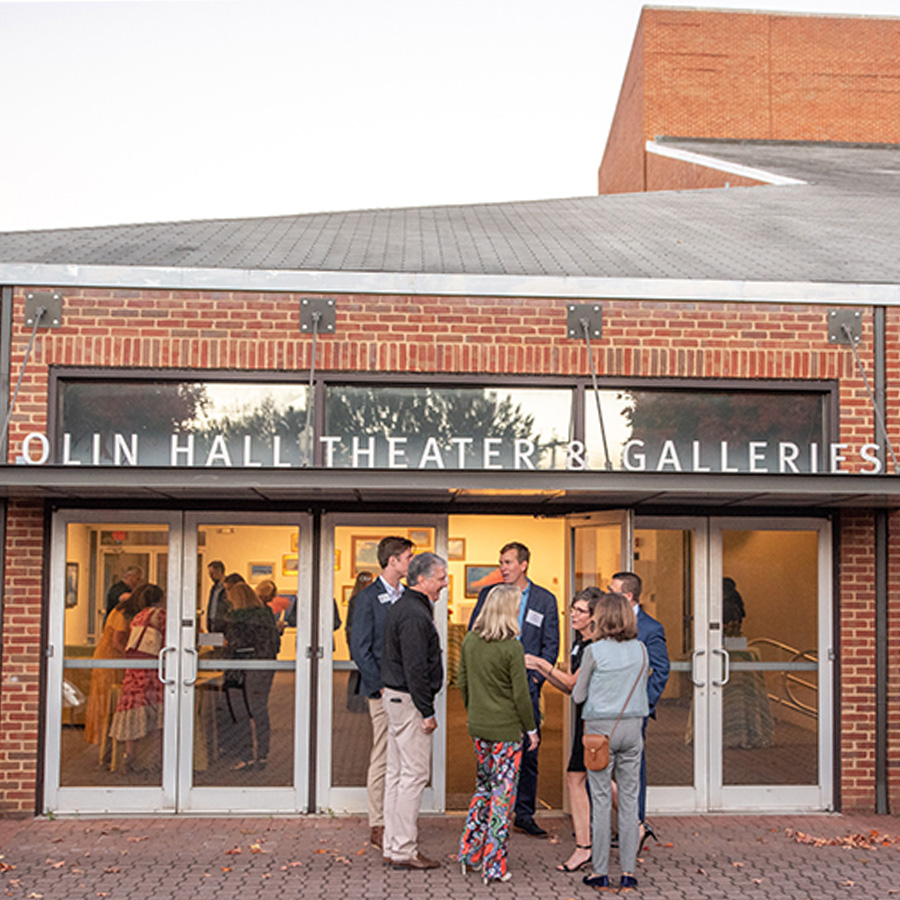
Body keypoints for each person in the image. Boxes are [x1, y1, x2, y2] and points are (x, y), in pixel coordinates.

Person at [468, 541, 559, 838]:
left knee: (530, 752)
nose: (502, 568)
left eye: (507, 562)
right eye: (501, 562)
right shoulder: (488, 595)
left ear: (524, 565)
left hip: (527, 687)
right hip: (495, 686)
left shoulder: (544, 599)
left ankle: (523, 813)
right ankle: (491, 814)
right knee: (491, 753)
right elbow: (475, 635)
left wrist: (535, 680)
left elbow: (551, 644)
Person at [458, 584, 538, 884]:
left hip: (479, 727)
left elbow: (462, 683)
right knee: (503, 798)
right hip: (506, 731)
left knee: (483, 789)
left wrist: (475, 712)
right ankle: (494, 865)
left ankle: (469, 852)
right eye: (516, 606)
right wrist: (530, 728)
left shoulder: (470, 641)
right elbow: (521, 695)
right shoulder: (512, 647)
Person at [574, 592, 648, 893]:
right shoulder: (641, 649)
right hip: (633, 727)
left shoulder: (594, 651)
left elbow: (578, 695)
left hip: (599, 731)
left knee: (602, 799)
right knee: (629, 801)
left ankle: (601, 872)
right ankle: (628, 872)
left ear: (601, 618)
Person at [525, 585, 603, 872]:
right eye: (572, 608)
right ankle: (632, 826)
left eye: (580, 611)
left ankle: (586, 847)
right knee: (585, 778)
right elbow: (571, 687)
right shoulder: (580, 644)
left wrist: (540, 664)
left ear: (594, 616)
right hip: (584, 717)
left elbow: (572, 684)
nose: (573, 614)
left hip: (594, 721)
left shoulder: (595, 646)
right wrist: (545, 672)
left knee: (579, 778)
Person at [380, 551, 446, 870]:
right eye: (441, 577)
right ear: (422, 579)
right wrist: (427, 710)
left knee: (396, 774)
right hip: (408, 702)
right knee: (413, 775)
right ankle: (404, 849)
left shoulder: (406, 608)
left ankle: (393, 846)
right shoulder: (414, 615)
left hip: (396, 698)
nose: (445, 583)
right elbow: (416, 667)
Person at [347, 537, 414, 850]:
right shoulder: (367, 599)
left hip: (408, 691)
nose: (411, 563)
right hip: (383, 691)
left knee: (403, 757)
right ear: (393, 561)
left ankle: (398, 819)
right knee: (384, 755)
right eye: (408, 558)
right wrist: (381, 686)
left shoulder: (408, 596)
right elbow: (360, 649)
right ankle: (378, 822)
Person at [609, 571, 670, 846]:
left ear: (628, 596)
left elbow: (661, 668)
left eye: (612, 591)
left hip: (634, 712)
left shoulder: (650, 628)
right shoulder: (607, 622)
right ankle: (606, 825)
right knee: (602, 768)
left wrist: (645, 705)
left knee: (632, 772)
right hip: (606, 710)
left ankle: (636, 826)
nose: (606, 595)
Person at [84, 582, 150, 753]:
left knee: (113, 699)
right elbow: (117, 642)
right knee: (108, 700)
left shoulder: (126, 612)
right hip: (110, 659)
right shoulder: (122, 614)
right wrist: (134, 657)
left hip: (117, 658)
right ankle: (106, 742)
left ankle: (111, 744)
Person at [108, 583, 167, 773]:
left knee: (133, 711)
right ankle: (156, 758)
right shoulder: (162, 616)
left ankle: (129, 756)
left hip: (134, 670)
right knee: (158, 714)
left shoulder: (137, 617)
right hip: (153, 669)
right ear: (160, 599)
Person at [223, 581, 281, 769]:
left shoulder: (235, 617)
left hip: (240, 668)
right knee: (260, 710)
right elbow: (275, 643)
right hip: (264, 667)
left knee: (240, 713)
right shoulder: (266, 614)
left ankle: (246, 756)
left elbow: (235, 643)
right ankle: (263, 754)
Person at [206, 560, 228, 633]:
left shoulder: (228, 588)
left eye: (212, 573)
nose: (210, 576)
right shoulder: (214, 588)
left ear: (219, 572)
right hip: (213, 624)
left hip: (223, 626)